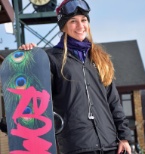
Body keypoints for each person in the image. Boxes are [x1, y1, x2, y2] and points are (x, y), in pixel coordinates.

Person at [19, 0, 132, 154]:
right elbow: (38, 97)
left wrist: (124, 137)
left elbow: (113, 102)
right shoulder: (51, 59)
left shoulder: (100, 58)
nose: (80, 26)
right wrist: (28, 61)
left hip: (111, 145)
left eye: (83, 20)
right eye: (73, 21)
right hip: (77, 147)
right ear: (63, 26)